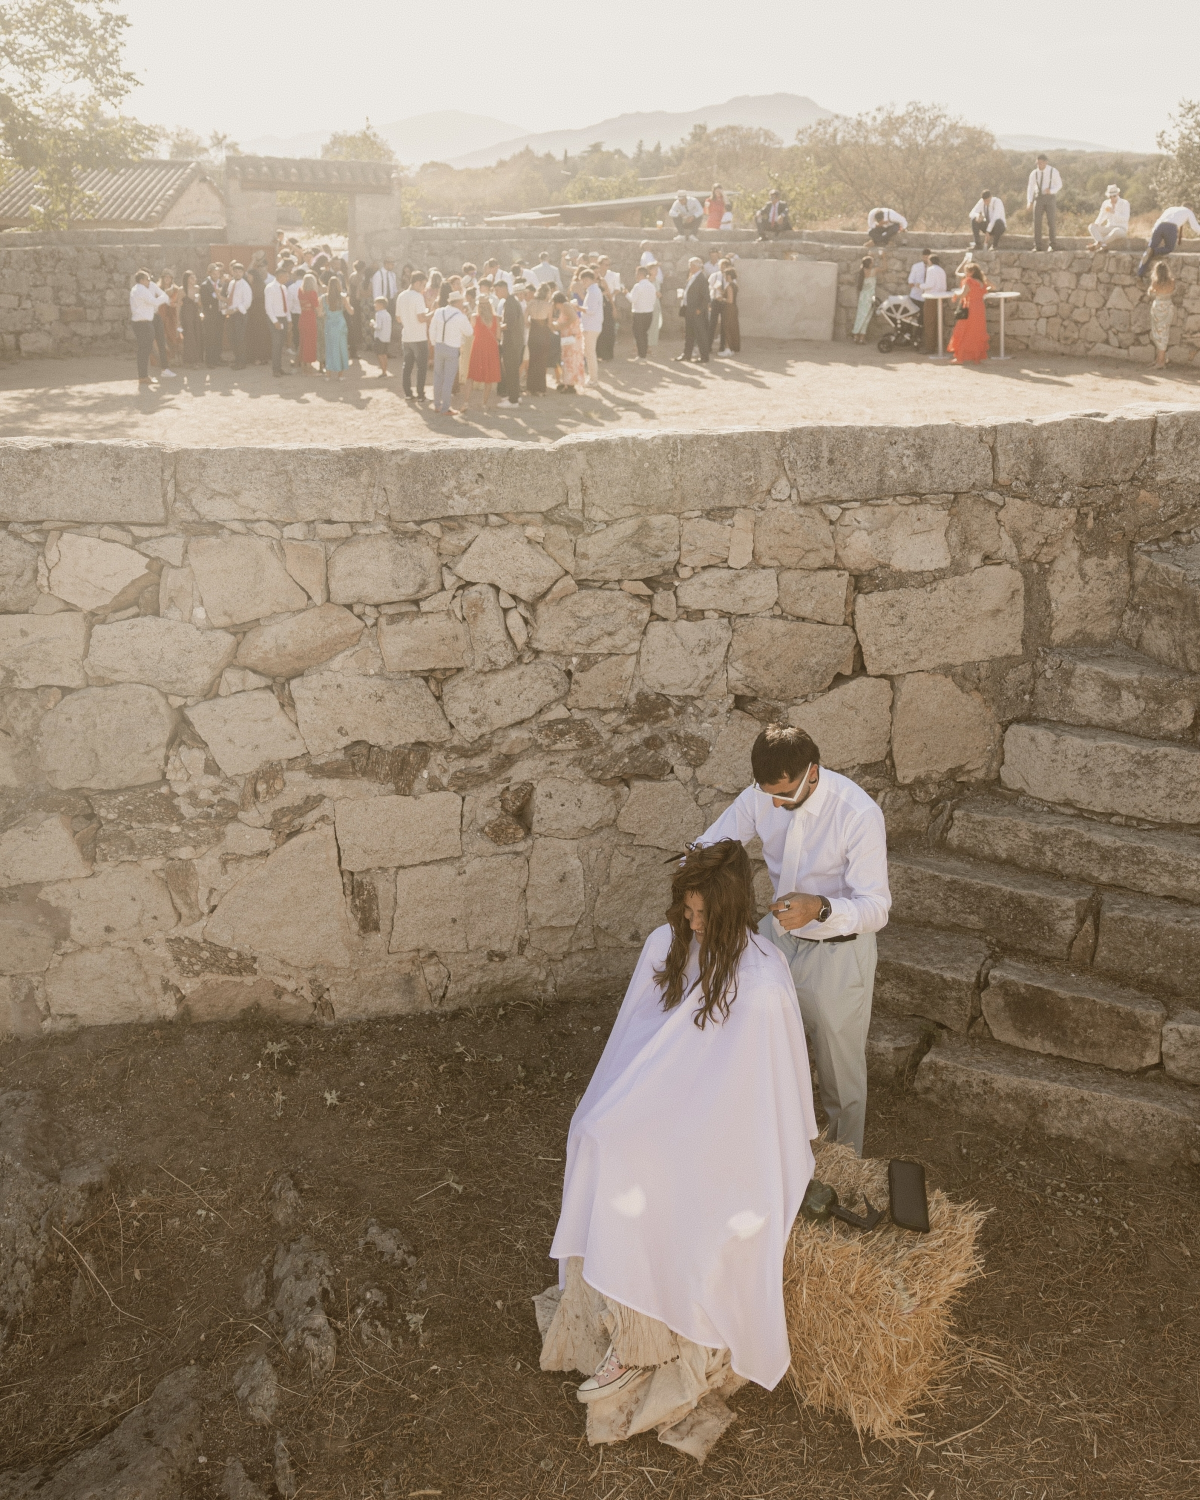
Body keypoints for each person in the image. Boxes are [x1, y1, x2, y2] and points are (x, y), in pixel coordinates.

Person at [546, 840, 818, 1418]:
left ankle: (641, 1338)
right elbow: (639, 1042)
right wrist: (639, 1107)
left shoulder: (762, 982)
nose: (693, 924)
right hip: (667, 1101)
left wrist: (681, 1125)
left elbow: (753, 1094)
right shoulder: (668, 944)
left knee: (648, 1172)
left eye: (703, 915)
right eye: (687, 911)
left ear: (732, 909)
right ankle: (607, 1300)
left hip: (724, 1129)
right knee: (594, 1134)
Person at [694, 724, 889, 1157]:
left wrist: (819, 907)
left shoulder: (857, 813)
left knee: (840, 1070)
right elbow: (714, 843)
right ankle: (756, 1144)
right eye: (768, 794)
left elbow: (877, 908)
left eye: (784, 794)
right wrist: (695, 865)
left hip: (838, 950)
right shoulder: (761, 795)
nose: (775, 804)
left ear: (812, 772)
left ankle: (843, 1164)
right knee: (743, 1029)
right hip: (776, 938)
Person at [429, 293, 473, 414]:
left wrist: (434, 343)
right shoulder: (460, 316)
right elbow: (469, 332)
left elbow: (432, 329)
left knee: (438, 377)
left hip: (439, 346)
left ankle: (437, 405)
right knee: (448, 379)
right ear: (458, 302)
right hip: (452, 348)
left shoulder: (439, 312)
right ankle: (445, 408)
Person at [130, 269, 171, 384]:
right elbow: (154, 302)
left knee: (144, 350)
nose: (149, 281)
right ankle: (143, 376)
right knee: (144, 350)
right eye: (147, 279)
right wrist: (165, 297)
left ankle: (143, 375)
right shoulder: (142, 289)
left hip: (140, 322)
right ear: (141, 280)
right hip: (143, 323)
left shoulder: (136, 289)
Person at [1137, 205, 1200, 278]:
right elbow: (1195, 226)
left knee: (1148, 251)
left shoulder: (1170, 209)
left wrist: (1154, 232)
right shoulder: (1188, 211)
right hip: (1171, 228)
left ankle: (1139, 274)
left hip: (1159, 226)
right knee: (1169, 248)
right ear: (1190, 208)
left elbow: (1159, 220)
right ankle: (1154, 251)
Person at [395, 271, 430, 401]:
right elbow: (421, 318)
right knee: (421, 368)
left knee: (407, 366)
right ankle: (421, 394)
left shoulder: (401, 296)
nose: (424, 288)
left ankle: (408, 393)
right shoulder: (417, 297)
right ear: (417, 283)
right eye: (423, 285)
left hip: (406, 336)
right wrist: (432, 313)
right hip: (419, 337)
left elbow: (398, 318)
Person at [948, 260, 991, 364]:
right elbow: (991, 287)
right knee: (977, 332)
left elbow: (963, 294)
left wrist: (955, 295)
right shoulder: (981, 282)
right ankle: (976, 357)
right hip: (979, 307)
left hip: (970, 307)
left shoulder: (968, 281)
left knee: (963, 331)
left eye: (967, 271)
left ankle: (960, 358)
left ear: (971, 272)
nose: (965, 273)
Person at [467, 294, 501, 408]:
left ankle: (466, 401)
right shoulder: (496, 318)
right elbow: (498, 336)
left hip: (478, 347)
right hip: (491, 348)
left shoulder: (474, 317)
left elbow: (472, 332)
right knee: (489, 378)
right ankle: (484, 403)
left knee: (471, 376)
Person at [676, 256, 712, 364]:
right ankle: (687, 354)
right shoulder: (693, 277)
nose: (690, 267)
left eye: (691, 265)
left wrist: (699, 309)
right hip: (689, 309)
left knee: (700, 334)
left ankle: (704, 357)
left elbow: (706, 297)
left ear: (696, 266)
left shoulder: (701, 278)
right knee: (689, 334)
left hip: (696, 311)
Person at [1026, 154, 1062, 251]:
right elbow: (1030, 187)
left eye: (1041, 163)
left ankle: (1052, 245)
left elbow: (1059, 184)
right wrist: (1029, 201)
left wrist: (1051, 190)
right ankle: (1037, 245)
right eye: (1037, 163)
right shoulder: (1034, 173)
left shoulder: (1053, 171)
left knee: (1051, 221)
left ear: (1046, 162)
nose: (1039, 165)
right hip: (1039, 198)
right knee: (1037, 222)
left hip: (1050, 198)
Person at [497, 282, 524, 407]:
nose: (496, 293)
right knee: (513, 370)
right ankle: (515, 396)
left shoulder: (510, 303)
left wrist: (497, 327)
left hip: (511, 342)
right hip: (515, 342)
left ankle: (513, 401)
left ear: (504, 289)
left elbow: (510, 324)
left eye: (497, 290)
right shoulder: (511, 301)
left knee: (511, 370)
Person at [1146, 259, 1176, 367]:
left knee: (1158, 334)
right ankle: (1159, 359)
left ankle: (1160, 362)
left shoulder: (1155, 282)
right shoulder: (1171, 281)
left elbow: (1150, 293)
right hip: (1168, 307)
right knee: (1164, 333)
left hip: (1158, 307)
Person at [322, 275, 352, 379]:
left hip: (329, 325)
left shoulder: (324, 298)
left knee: (330, 348)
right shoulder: (342, 297)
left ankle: (328, 374)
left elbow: (320, 313)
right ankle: (340, 375)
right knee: (341, 348)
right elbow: (351, 311)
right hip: (340, 324)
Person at [553, 291, 584, 393]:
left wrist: (562, 325)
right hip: (569, 337)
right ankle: (567, 382)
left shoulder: (565, 306)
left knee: (569, 360)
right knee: (567, 359)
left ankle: (570, 385)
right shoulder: (566, 306)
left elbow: (573, 318)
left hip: (571, 337)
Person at [526, 282, 554, 392]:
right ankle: (540, 389)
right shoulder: (548, 305)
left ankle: (530, 387)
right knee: (542, 361)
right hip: (543, 334)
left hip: (533, 333)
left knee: (532, 360)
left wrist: (532, 325)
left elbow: (525, 320)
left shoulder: (531, 303)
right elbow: (549, 323)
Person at [578, 268, 604, 385]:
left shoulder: (593, 291)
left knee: (590, 354)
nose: (583, 282)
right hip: (592, 325)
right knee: (589, 353)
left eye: (585, 280)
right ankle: (592, 377)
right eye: (582, 280)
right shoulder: (593, 290)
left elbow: (591, 310)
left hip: (591, 326)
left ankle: (593, 379)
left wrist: (577, 308)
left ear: (591, 279)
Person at [1088, 185, 1131, 253]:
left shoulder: (1124, 203)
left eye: (1114, 196)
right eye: (1110, 196)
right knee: (1091, 226)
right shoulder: (1106, 203)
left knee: (1116, 231)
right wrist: (1097, 224)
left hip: (1121, 229)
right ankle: (1103, 245)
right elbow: (1101, 216)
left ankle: (1097, 245)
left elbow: (1125, 219)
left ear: (1118, 194)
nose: (1112, 198)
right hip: (1109, 227)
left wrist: (1114, 212)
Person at [264, 269, 290, 377]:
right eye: (286, 276)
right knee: (276, 344)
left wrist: (289, 319)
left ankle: (279, 367)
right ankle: (275, 369)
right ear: (280, 276)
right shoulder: (270, 287)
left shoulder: (284, 288)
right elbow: (268, 307)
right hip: (275, 318)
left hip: (283, 317)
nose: (287, 278)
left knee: (281, 345)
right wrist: (275, 321)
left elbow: (286, 305)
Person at [225, 262, 251, 370]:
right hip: (231, 314)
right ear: (232, 272)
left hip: (239, 315)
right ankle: (237, 359)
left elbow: (247, 303)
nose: (237, 274)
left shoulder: (245, 285)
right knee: (232, 338)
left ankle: (242, 362)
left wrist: (235, 310)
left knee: (240, 339)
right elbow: (229, 297)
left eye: (240, 272)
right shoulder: (231, 283)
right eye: (235, 271)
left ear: (243, 273)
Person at [246, 254, 272, 364]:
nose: (248, 278)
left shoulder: (260, 286)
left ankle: (260, 357)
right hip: (253, 315)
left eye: (250, 276)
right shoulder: (251, 285)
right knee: (253, 336)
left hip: (259, 315)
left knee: (260, 336)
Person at [628, 265, 657, 360]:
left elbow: (632, 299)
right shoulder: (651, 286)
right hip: (649, 313)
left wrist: (626, 293)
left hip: (639, 314)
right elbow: (653, 300)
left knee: (639, 335)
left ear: (640, 274)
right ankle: (643, 354)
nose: (635, 276)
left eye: (636, 273)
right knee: (644, 334)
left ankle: (641, 355)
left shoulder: (638, 286)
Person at [921, 253, 947, 352]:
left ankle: (929, 347)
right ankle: (935, 345)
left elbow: (929, 284)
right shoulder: (941, 270)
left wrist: (920, 285)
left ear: (930, 261)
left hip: (931, 297)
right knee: (937, 322)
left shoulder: (931, 269)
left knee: (929, 322)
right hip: (940, 298)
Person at [199, 265, 223, 368]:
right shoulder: (205, 285)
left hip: (219, 314)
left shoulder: (220, 283)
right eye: (214, 274)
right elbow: (204, 301)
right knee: (210, 338)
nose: (216, 275)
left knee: (218, 336)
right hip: (210, 315)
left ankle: (217, 358)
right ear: (209, 273)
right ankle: (210, 361)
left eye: (217, 273)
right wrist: (215, 295)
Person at [851, 255, 879, 343]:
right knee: (867, 317)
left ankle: (856, 335)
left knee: (860, 316)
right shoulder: (874, 271)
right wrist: (884, 257)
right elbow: (885, 268)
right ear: (870, 264)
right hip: (870, 297)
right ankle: (862, 337)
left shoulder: (862, 272)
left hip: (863, 297)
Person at [179, 270, 202, 366]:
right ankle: (189, 360)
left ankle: (197, 359)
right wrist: (178, 321)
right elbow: (178, 306)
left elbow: (200, 304)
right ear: (187, 279)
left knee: (197, 334)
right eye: (191, 278)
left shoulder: (197, 288)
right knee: (189, 336)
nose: (194, 279)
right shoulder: (182, 290)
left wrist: (199, 300)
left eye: (194, 277)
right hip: (186, 315)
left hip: (195, 314)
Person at [297, 273, 319, 371]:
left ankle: (303, 364)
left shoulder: (300, 291)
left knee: (303, 341)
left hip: (302, 317)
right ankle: (309, 366)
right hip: (310, 318)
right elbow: (316, 306)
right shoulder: (312, 293)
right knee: (310, 342)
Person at [721, 265, 740, 354]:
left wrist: (721, 299)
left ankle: (728, 348)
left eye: (725, 275)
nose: (724, 277)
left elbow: (730, 300)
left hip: (729, 309)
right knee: (733, 328)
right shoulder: (734, 285)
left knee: (727, 328)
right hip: (733, 308)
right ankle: (732, 348)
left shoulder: (729, 286)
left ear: (728, 276)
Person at [371, 296, 392, 378]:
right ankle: (385, 370)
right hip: (386, 337)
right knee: (384, 354)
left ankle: (383, 372)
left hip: (379, 337)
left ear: (381, 305)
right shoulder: (388, 314)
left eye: (376, 304)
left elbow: (378, 327)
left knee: (380, 354)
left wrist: (373, 323)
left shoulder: (378, 314)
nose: (374, 305)